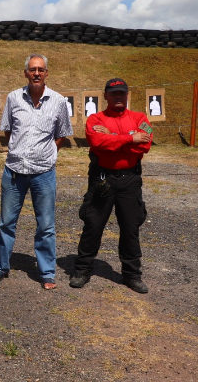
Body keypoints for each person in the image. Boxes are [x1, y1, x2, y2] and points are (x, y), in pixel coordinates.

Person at [0, 53, 73, 290]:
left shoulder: (58, 101)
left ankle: (47, 272)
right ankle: (1, 266)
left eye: (41, 69)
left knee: (46, 225)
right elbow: (8, 131)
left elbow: (62, 134)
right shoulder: (13, 98)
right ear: (26, 73)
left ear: (47, 73)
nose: (37, 73)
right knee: (7, 223)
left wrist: (44, 153)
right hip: (14, 171)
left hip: (44, 173)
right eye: (32, 69)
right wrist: (21, 150)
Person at [70, 78, 152, 293]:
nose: (118, 97)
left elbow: (144, 146)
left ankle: (132, 275)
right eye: (114, 93)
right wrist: (129, 138)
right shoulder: (95, 118)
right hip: (102, 178)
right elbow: (98, 144)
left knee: (130, 228)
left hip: (130, 179)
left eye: (122, 93)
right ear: (105, 96)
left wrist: (114, 139)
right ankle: (82, 270)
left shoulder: (139, 118)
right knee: (93, 225)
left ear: (127, 95)